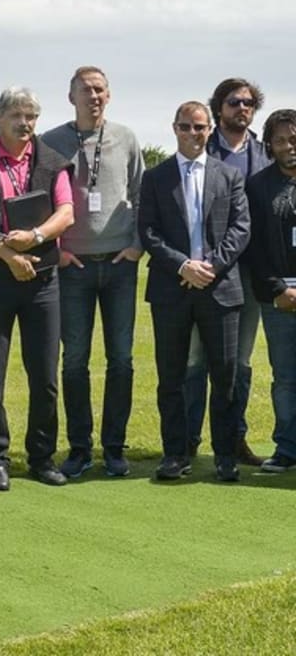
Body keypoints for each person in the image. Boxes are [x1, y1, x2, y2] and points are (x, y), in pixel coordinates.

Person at [0, 86, 74, 491]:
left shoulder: (54, 162)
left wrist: (35, 237)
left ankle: (42, 457)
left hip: (43, 279)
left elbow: (66, 213)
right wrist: (10, 256)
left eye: (31, 118)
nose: (25, 124)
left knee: (44, 375)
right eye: (17, 117)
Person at [41, 66, 143, 478]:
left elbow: (140, 193)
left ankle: (114, 449)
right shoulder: (51, 142)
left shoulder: (127, 138)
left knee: (121, 359)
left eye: (100, 90)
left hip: (119, 263)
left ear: (109, 95)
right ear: (71, 98)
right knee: (75, 361)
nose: (93, 97)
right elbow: (41, 200)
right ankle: (80, 449)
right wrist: (58, 250)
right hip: (73, 267)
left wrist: (137, 245)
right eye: (85, 91)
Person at [139, 101, 249, 482]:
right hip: (172, 288)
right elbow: (148, 232)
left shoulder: (229, 176)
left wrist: (211, 266)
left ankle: (225, 455)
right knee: (171, 376)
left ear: (210, 129)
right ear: (174, 129)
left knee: (226, 376)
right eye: (186, 127)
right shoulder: (155, 177)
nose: (193, 134)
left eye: (200, 127)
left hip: (220, 289)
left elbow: (241, 229)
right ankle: (175, 453)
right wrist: (183, 265)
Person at [183, 78, 268, 466]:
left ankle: (235, 438)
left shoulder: (265, 154)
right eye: (234, 102)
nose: (242, 108)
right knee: (196, 359)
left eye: (249, 102)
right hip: (205, 273)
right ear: (219, 107)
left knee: (241, 361)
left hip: (251, 274)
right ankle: (188, 440)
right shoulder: (202, 147)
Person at [246, 109, 296, 473]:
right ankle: (287, 448)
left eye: (294, 139)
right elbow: (254, 247)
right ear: (269, 146)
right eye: (280, 140)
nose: (289, 146)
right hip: (279, 296)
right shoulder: (258, 187)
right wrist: (277, 289)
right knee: (285, 377)